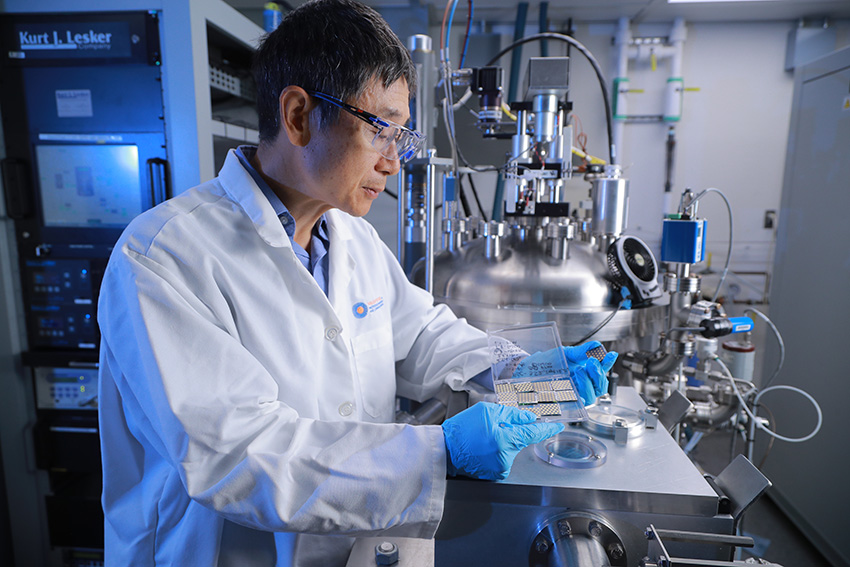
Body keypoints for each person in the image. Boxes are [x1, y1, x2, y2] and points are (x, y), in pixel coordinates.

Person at [97, 0, 614, 565]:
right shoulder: (163, 257)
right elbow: (240, 455)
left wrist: (530, 377)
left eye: (402, 136)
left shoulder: (352, 238)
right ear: (297, 115)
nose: (394, 163)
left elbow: (422, 337)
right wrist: (441, 453)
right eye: (381, 131)